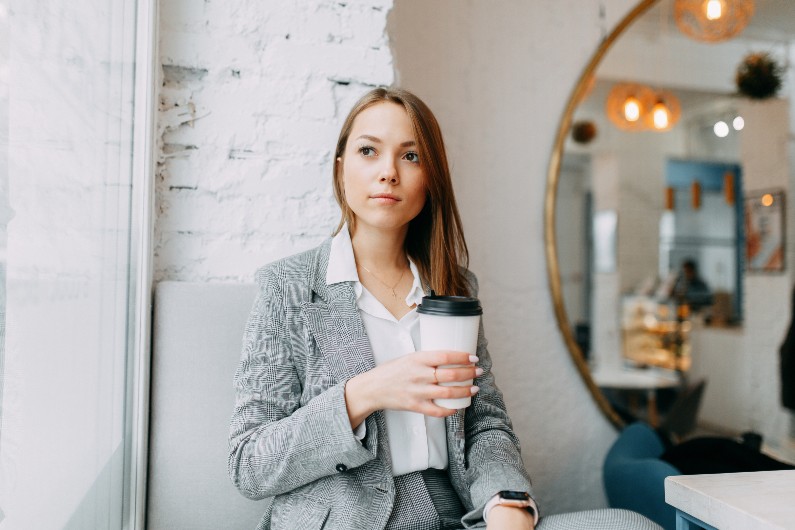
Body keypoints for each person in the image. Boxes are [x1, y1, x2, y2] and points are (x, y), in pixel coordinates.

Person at [228, 87, 661, 530]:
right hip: (344, 519)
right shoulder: (288, 288)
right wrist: (364, 394)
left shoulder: (453, 286)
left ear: (430, 178)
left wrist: (506, 501)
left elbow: (484, 421)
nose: (388, 173)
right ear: (341, 169)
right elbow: (249, 462)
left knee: (631, 524)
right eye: (368, 151)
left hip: (451, 514)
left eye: (410, 157)